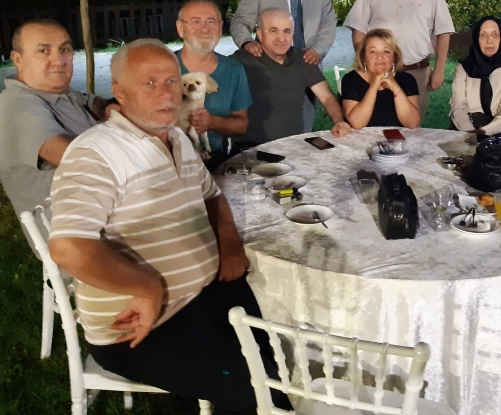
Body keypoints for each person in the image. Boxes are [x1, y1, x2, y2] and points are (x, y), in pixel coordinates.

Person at [47, 39, 291, 414]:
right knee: (271, 390)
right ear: (119, 92)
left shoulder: (176, 136)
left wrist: (228, 243)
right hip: (144, 327)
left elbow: (212, 195)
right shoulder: (96, 151)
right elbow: (69, 246)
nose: (166, 93)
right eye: (150, 83)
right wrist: (145, 288)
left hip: (204, 293)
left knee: (290, 343)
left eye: (172, 81)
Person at [0, 20, 111, 250]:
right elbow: (74, 156)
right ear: (17, 59)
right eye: (44, 51)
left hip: (109, 212)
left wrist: (109, 106)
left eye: (65, 49)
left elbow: (91, 101)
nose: (59, 60)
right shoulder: (18, 106)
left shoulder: (59, 93)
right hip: (84, 240)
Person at [230, 0, 337, 132]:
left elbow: (329, 23)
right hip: (270, 72)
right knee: (270, 128)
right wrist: (246, 42)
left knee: (303, 128)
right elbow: (241, 20)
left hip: (307, 68)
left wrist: (317, 51)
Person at [343, 0, 455, 119]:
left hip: (417, 73)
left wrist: (439, 70)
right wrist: (366, 65)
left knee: (412, 128)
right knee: (372, 125)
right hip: (376, 74)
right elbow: (358, 31)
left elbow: (443, 33)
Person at [232, 8, 351, 144]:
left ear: (293, 33)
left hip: (293, 145)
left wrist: (338, 121)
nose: (281, 38)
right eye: (273, 30)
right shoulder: (243, 61)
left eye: (286, 31)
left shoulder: (303, 59)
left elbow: (327, 97)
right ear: (260, 34)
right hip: (253, 148)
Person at [175, 0, 252, 169]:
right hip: (168, 163)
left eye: (211, 22)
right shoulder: (163, 67)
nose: (204, 29)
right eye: (196, 22)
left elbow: (241, 125)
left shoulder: (233, 69)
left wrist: (212, 122)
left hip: (216, 162)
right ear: (180, 28)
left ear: (220, 27)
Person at [450, 16, 501, 135]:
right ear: (476, 39)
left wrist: (482, 133)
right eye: (483, 35)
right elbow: (457, 108)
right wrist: (471, 134)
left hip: (495, 133)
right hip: (464, 131)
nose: (489, 40)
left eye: (495, 34)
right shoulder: (463, 68)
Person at [341, 28, 420, 129]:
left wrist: (395, 87)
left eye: (386, 51)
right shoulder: (350, 80)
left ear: (395, 57)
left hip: (398, 138)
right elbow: (357, 123)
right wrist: (373, 86)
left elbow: (412, 123)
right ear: (363, 57)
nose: (379, 57)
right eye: (372, 52)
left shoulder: (407, 80)